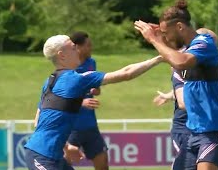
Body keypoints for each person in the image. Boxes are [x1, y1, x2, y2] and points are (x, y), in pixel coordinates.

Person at [25, 34, 162, 170]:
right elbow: (126, 73)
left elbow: (38, 121)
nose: (77, 50)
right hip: (43, 156)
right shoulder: (77, 79)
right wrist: (159, 58)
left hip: (47, 155)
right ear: (62, 55)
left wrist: (66, 147)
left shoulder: (49, 82)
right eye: (73, 48)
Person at [135, 0, 218, 170]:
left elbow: (180, 61)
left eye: (166, 33)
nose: (165, 37)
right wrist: (159, 35)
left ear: (180, 27)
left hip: (213, 131)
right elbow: (173, 53)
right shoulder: (188, 49)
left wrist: (154, 39)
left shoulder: (204, 43)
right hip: (193, 133)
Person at [153, 28, 218, 170]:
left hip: (207, 127)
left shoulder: (206, 70)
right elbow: (183, 101)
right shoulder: (182, 69)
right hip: (184, 129)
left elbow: (193, 93)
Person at [65, 31, 109, 170]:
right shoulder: (67, 67)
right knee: (63, 164)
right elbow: (59, 99)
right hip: (72, 127)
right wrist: (81, 103)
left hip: (90, 124)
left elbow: (96, 88)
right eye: (88, 45)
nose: (91, 48)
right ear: (77, 47)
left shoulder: (91, 63)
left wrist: (96, 90)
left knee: (102, 162)